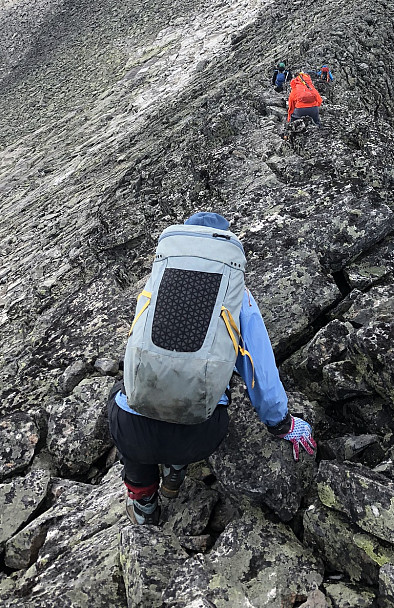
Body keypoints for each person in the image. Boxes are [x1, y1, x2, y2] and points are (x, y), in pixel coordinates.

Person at [108, 212, 317, 526]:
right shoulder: (236, 296)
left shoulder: (157, 281)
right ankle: (176, 470)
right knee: (209, 393)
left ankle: (145, 508)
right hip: (199, 434)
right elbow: (256, 365)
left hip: (133, 429)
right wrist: (282, 424)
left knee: (122, 398)